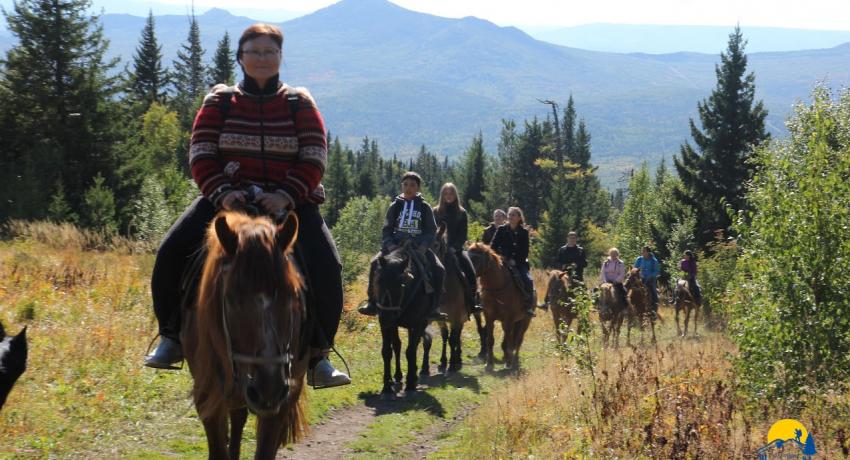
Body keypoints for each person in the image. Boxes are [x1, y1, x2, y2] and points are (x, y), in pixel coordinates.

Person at [144, 23, 351, 389]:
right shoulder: (219, 101)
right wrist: (223, 192)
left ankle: (319, 354)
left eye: (269, 52)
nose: (262, 58)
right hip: (226, 202)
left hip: (291, 205)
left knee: (327, 264)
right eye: (254, 51)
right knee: (171, 251)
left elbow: (315, 156)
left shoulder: (299, 102)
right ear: (241, 57)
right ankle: (172, 336)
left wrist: (286, 194)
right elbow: (201, 153)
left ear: (280, 58)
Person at [358, 172, 447, 321]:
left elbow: (431, 231)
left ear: (418, 188)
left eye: (412, 185)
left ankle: (434, 308)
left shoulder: (425, 207)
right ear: (402, 186)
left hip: (418, 247)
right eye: (405, 184)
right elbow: (386, 229)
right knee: (375, 263)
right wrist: (390, 245)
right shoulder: (395, 206)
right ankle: (372, 302)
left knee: (439, 269)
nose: (408, 188)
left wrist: (424, 246)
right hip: (395, 246)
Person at [432, 183, 481, 314]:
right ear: (442, 195)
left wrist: (454, 247)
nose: (448, 196)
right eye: (446, 193)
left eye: (451, 193)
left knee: (470, 272)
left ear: (455, 195)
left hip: (456, 250)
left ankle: (472, 301)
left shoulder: (461, 212)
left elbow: (463, 234)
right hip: (436, 250)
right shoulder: (435, 212)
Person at [490, 207, 535, 316]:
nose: (510, 217)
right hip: (502, 262)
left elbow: (525, 251)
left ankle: (528, 306)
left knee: (528, 281)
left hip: (519, 264)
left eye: (513, 215)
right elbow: (493, 246)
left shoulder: (524, 232)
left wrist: (515, 261)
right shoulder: (501, 229)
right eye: (509, 215)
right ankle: (481, 301)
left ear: (519, 217)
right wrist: (502, 257)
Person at [634, 245, 660, 314]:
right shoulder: (639, 259)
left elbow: (656, 271)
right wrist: (638, 275)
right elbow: (635, 268)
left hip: (650, 280)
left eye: (644, 251)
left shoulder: (654, 260)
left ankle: (654, 307)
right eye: (642, 251)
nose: (642, 252)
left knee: (653, 291)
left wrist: (650, 276)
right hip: (640, 279)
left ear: (648, 252)